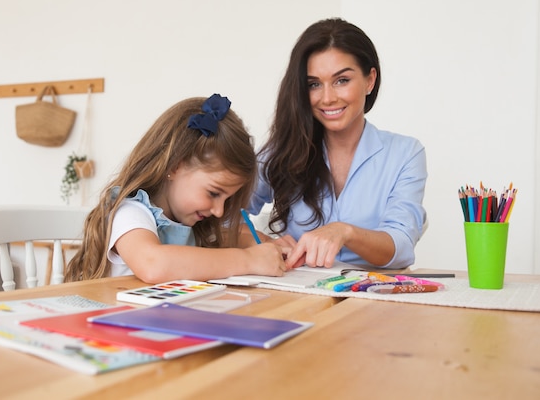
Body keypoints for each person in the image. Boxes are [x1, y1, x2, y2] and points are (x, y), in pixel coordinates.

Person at [246, 18, 427, 270]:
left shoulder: (405, 153)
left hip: (371, 299)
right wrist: (264, 242)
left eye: (342, 80)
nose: (328, 98)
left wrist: (345, 232)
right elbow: (222, 216)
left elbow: (402, 246)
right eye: (314, 84)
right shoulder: (281, 151)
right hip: (296, 297)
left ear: (369, 80)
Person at [65, 94, 287, 284]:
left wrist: (257, 242)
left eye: (227, 200)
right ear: (174, 166)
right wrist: (249, 260)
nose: (219, 211)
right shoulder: (130, 213)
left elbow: (217, 242)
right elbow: (154, 264)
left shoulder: (188, 223)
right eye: (214, 193)